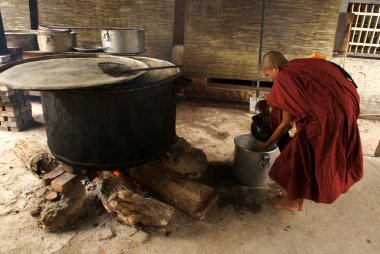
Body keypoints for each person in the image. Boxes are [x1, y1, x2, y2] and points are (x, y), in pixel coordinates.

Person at [257, 51, 363, 211]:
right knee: (307, 157)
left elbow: (285, 124)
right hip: (347, 108)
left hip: (328, 119)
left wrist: (266, 143)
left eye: (268, 74)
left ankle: (293, 201)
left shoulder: (285, 79)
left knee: (296, 157)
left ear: (275, 68)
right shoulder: (300, 64)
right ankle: (298, 201)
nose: (270, 79)